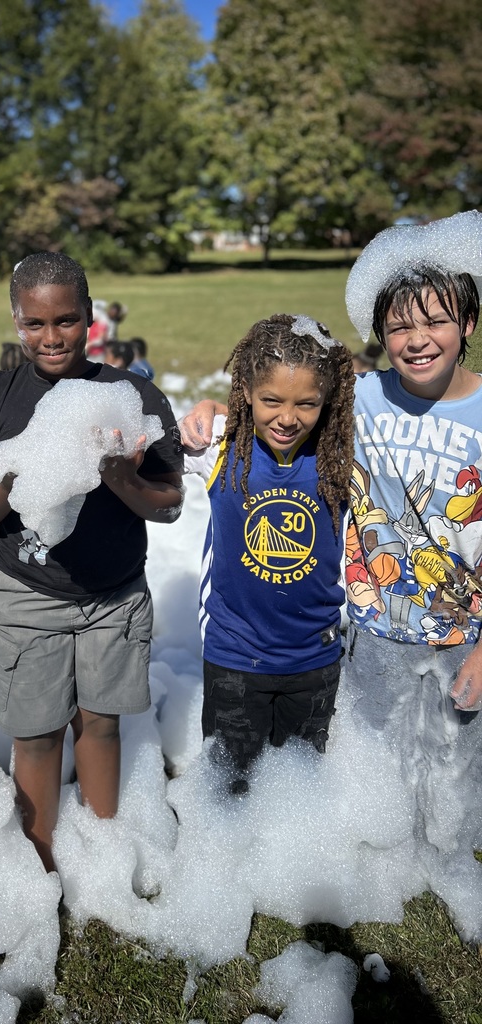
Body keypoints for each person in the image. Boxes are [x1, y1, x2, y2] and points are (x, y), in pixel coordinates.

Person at [179, 211, 482, 853]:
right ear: (379, 336)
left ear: (470, 324)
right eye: (399, 327)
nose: (417, 339)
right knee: (359, 772)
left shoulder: (369, 418)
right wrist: (208, 410)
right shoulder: (358, 400)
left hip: (460, 631)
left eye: (435, 322)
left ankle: (436, 866)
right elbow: (274, 392)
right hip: (370, 635)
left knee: (453, 781)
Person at [0, 252, 183, 873]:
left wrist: (120, 478)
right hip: (25, 594)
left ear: (91, 319)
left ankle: (102, 854)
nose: (51, 337)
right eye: (34, 324)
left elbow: (169, 504)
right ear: (15, 320)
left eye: (67, 321)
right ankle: (40, 860)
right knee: (35, 734)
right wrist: (22, 477)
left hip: (113, 596)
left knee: (101, 724)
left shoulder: (130, 396)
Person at [182, 314, 354, 793]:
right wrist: (201, 412)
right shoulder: (219, 446)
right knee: (227, 793)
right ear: (246, 396)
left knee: (299, 796)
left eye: (307, 403)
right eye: (270, 400)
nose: (287, 417)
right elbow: (151, 457)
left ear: (327, 403)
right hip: (234, 657)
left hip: (315, 662)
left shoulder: (341, 453)